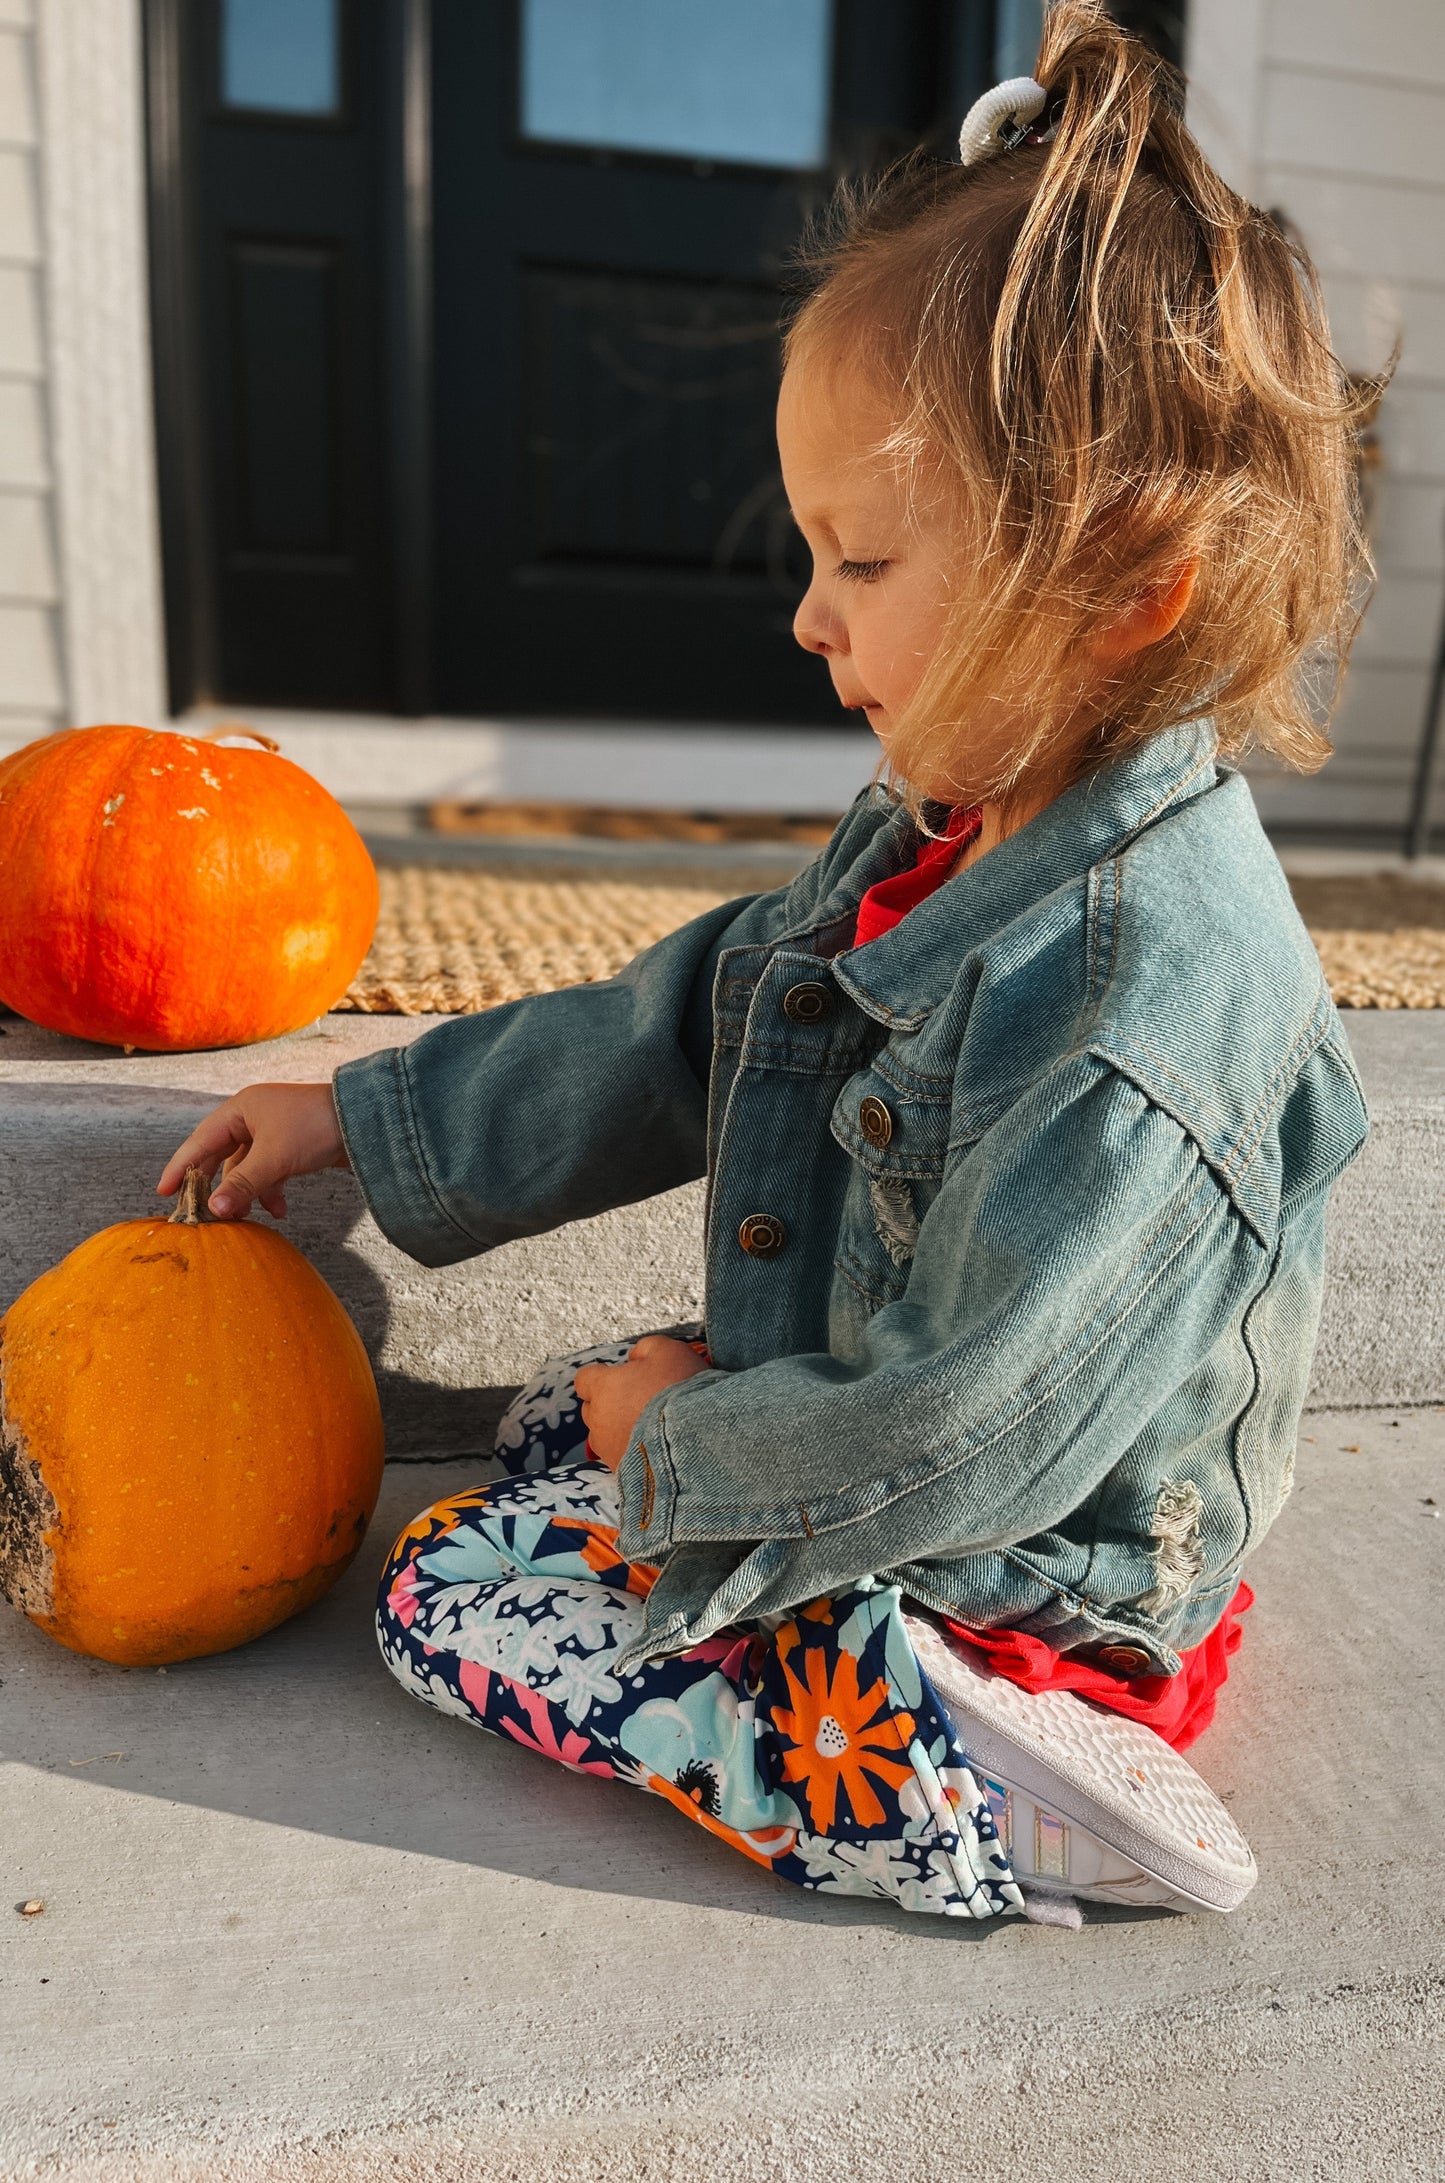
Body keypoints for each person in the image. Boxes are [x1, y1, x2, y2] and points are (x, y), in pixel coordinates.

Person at [159, 1, 1376, 1922]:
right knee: (584, 1426)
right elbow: (706, 1019)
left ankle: (964, 1772)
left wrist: (696, 1447)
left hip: (1038, 1569)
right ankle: (831, 1616)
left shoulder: (1142, 1011)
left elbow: (965, 1423)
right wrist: (370, 1115)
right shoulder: (954, 822)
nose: (806, 617)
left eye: (864, 563)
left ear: (1123, 591)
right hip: (901, 1438)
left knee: (444, 1597)